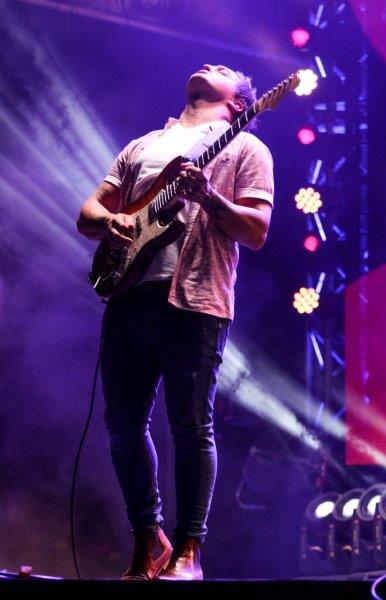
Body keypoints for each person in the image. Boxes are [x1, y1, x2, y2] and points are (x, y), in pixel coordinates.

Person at [76, 63, 274, 581]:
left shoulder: (247, 148)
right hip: (128, 295)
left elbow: (256, 231)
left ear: (238, 103)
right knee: (122, 426)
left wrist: (207, 195)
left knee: (190, 426)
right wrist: (112, 220)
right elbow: (88, 213)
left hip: (196, 300)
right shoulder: (142, 146)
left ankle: (189, 549)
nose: (209, 65)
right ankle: (148, 537)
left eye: (223, 68)